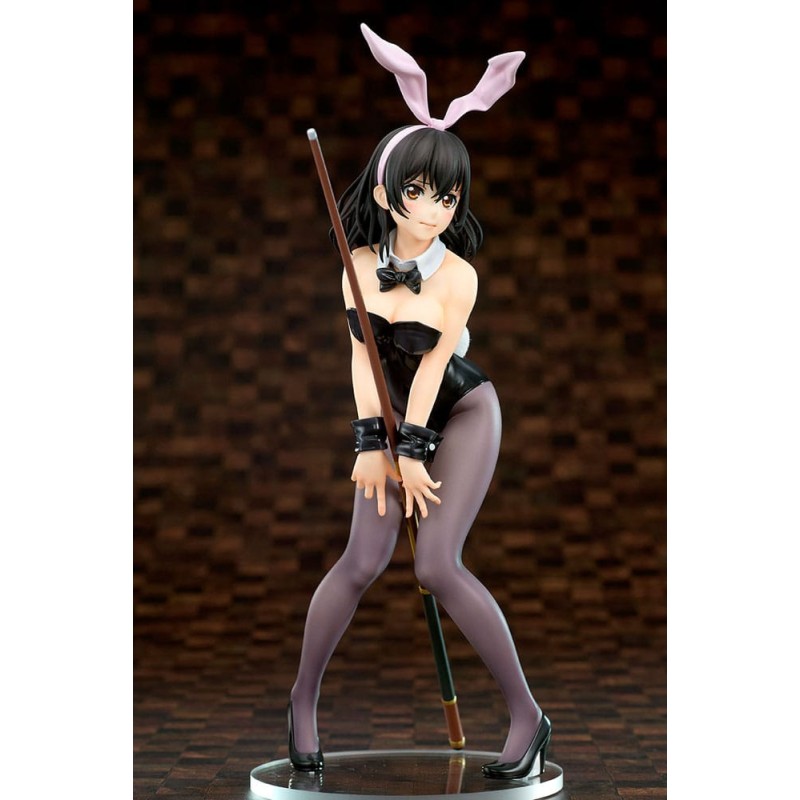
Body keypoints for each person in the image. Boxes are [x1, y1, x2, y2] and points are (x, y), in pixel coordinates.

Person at [287, 25, 551, 780]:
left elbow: (433, 366)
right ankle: (301, 701)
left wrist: (411, 453)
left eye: (447, 195)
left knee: (436, 564)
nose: (433, 208)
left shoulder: (458, 276)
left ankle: (528, 716)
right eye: (417, 192)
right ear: (385, 192)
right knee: (360, 561)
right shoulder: (357, 264)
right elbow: (361, 357)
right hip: (389, 414)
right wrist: (371, 445)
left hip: (460, 412)